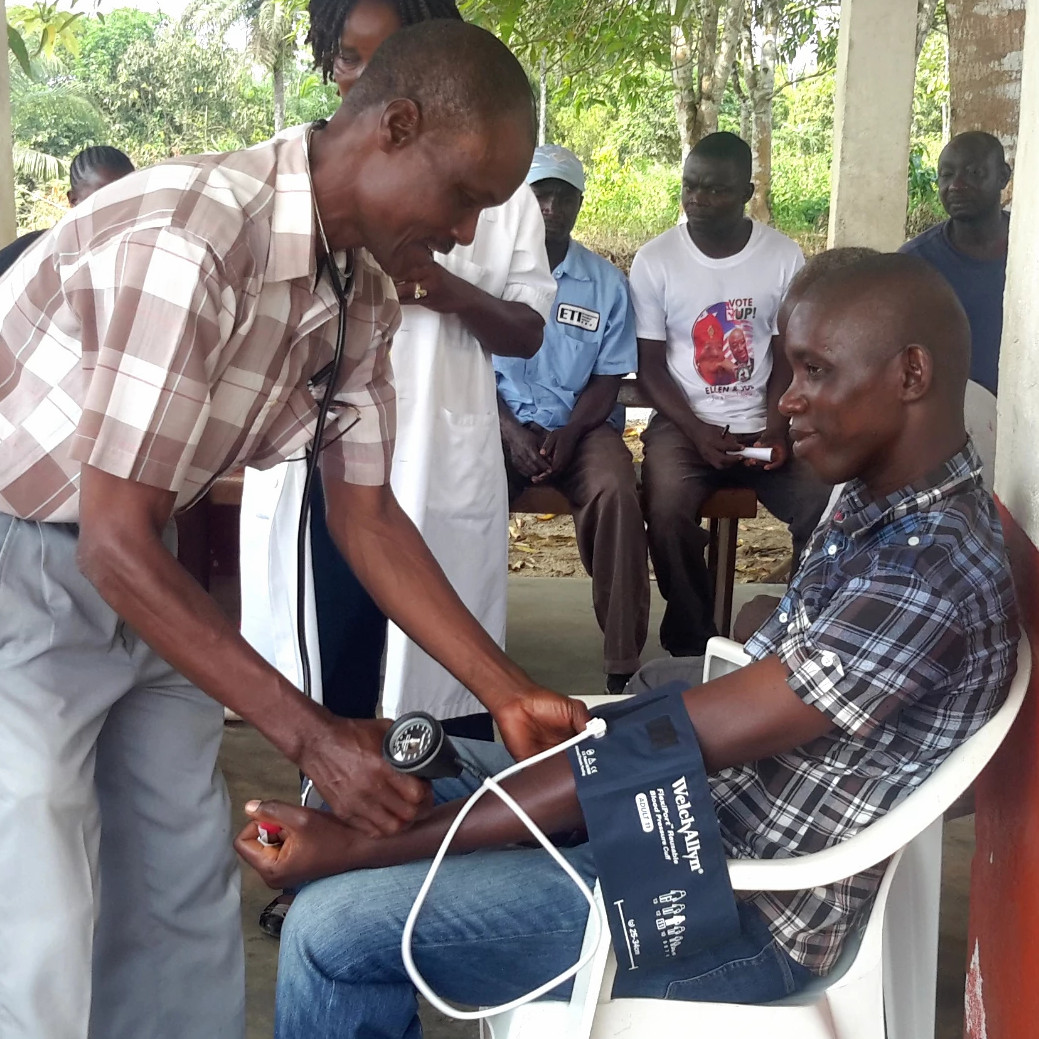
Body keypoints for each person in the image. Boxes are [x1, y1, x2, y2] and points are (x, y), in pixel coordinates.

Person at [235, 252, 1018, 1037]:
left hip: (728, 910)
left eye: (812, 370)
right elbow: (678, 740)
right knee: (369, 783)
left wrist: (365, 854)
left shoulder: (925, 573)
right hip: (683, 821)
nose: (786, 399)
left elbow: (661, 748)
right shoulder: (881, 501)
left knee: (331, 926)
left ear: (910, 373)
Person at [0, 22, 589, 1039]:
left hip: (153, 559)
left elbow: (364, 513)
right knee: (41, 886)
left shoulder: (357, 284)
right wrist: (312, 734)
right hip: (26, 555)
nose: (462, 235)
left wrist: (507, 693)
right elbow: (108, 537)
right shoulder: (193, 240)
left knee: (177, 877)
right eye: (462, 199)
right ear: (394, 128)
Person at [240, 0, 556, 749]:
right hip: (317, 453)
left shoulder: (491, 181)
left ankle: (435, 832)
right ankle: (330, 807)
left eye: (379, 59)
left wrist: (438, 287)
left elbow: (528, 327)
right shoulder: (282, 174)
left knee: (440, 691)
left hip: (431, 451)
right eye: (347, 58)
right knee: (331, 654)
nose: (358, 80)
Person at [629, 132, 831, 658]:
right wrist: (697, 432)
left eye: (715, 190)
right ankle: (694, 639)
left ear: (747, 189)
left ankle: (801, 628)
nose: (697, 199)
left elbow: (791, 356)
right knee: (667, 508)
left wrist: (777, 428)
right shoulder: (656, 260)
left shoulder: (783, 256)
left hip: (764, 421)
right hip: (683, 423)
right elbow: (650, 369)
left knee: (822, 501)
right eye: (689, 186)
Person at [494, 144, 648, 694]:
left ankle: (623, 664)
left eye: (563, 195)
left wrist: (573, 431)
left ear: (579, 203)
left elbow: (608, 376)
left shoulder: (606, 283)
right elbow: (465, 366)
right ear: (519, 201)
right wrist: (509, 431)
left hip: (581, 429)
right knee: (467, 492)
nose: (551, 207)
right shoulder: (491, 272)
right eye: (540, 194)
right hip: (500, 426)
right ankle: (468, 649)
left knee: (616, 491)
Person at [900, 131, 1011, 489]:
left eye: (975, 173)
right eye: (946, 175)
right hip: (955, 422)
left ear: (1003, 178)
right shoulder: (916, 263)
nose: (957, 185)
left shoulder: (1030, 244)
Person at [0, 145, 134, 276]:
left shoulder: (141, 249)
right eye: (103, 198)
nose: (117, 208)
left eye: (126, 196)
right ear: (73, 200)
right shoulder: (34, 252)